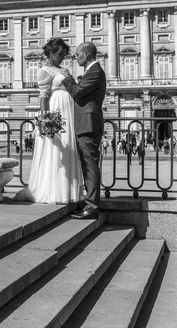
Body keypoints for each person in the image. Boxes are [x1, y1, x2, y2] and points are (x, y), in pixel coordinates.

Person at [14, 38, 83, 204]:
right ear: (51, 53)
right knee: (55, 151)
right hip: (56, 111)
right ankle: (53, 191)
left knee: (68, 150)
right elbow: (43, 98)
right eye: (59, 54)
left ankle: (67, 191)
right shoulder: (45, 70)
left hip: (68, 113)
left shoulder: (61, 69)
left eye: (64, 55)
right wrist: (45, 119)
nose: (61, 58)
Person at [60, 41, 107, 219]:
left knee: (90, 165)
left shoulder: (95, 71)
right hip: (85, 123)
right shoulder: (91, 72)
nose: (76, 57)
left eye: (78, 54)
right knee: (87, 164)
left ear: (87, 55)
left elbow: (78, 92)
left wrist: (67, 77)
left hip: (88, 124)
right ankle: (90, 203)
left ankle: (92, 206)